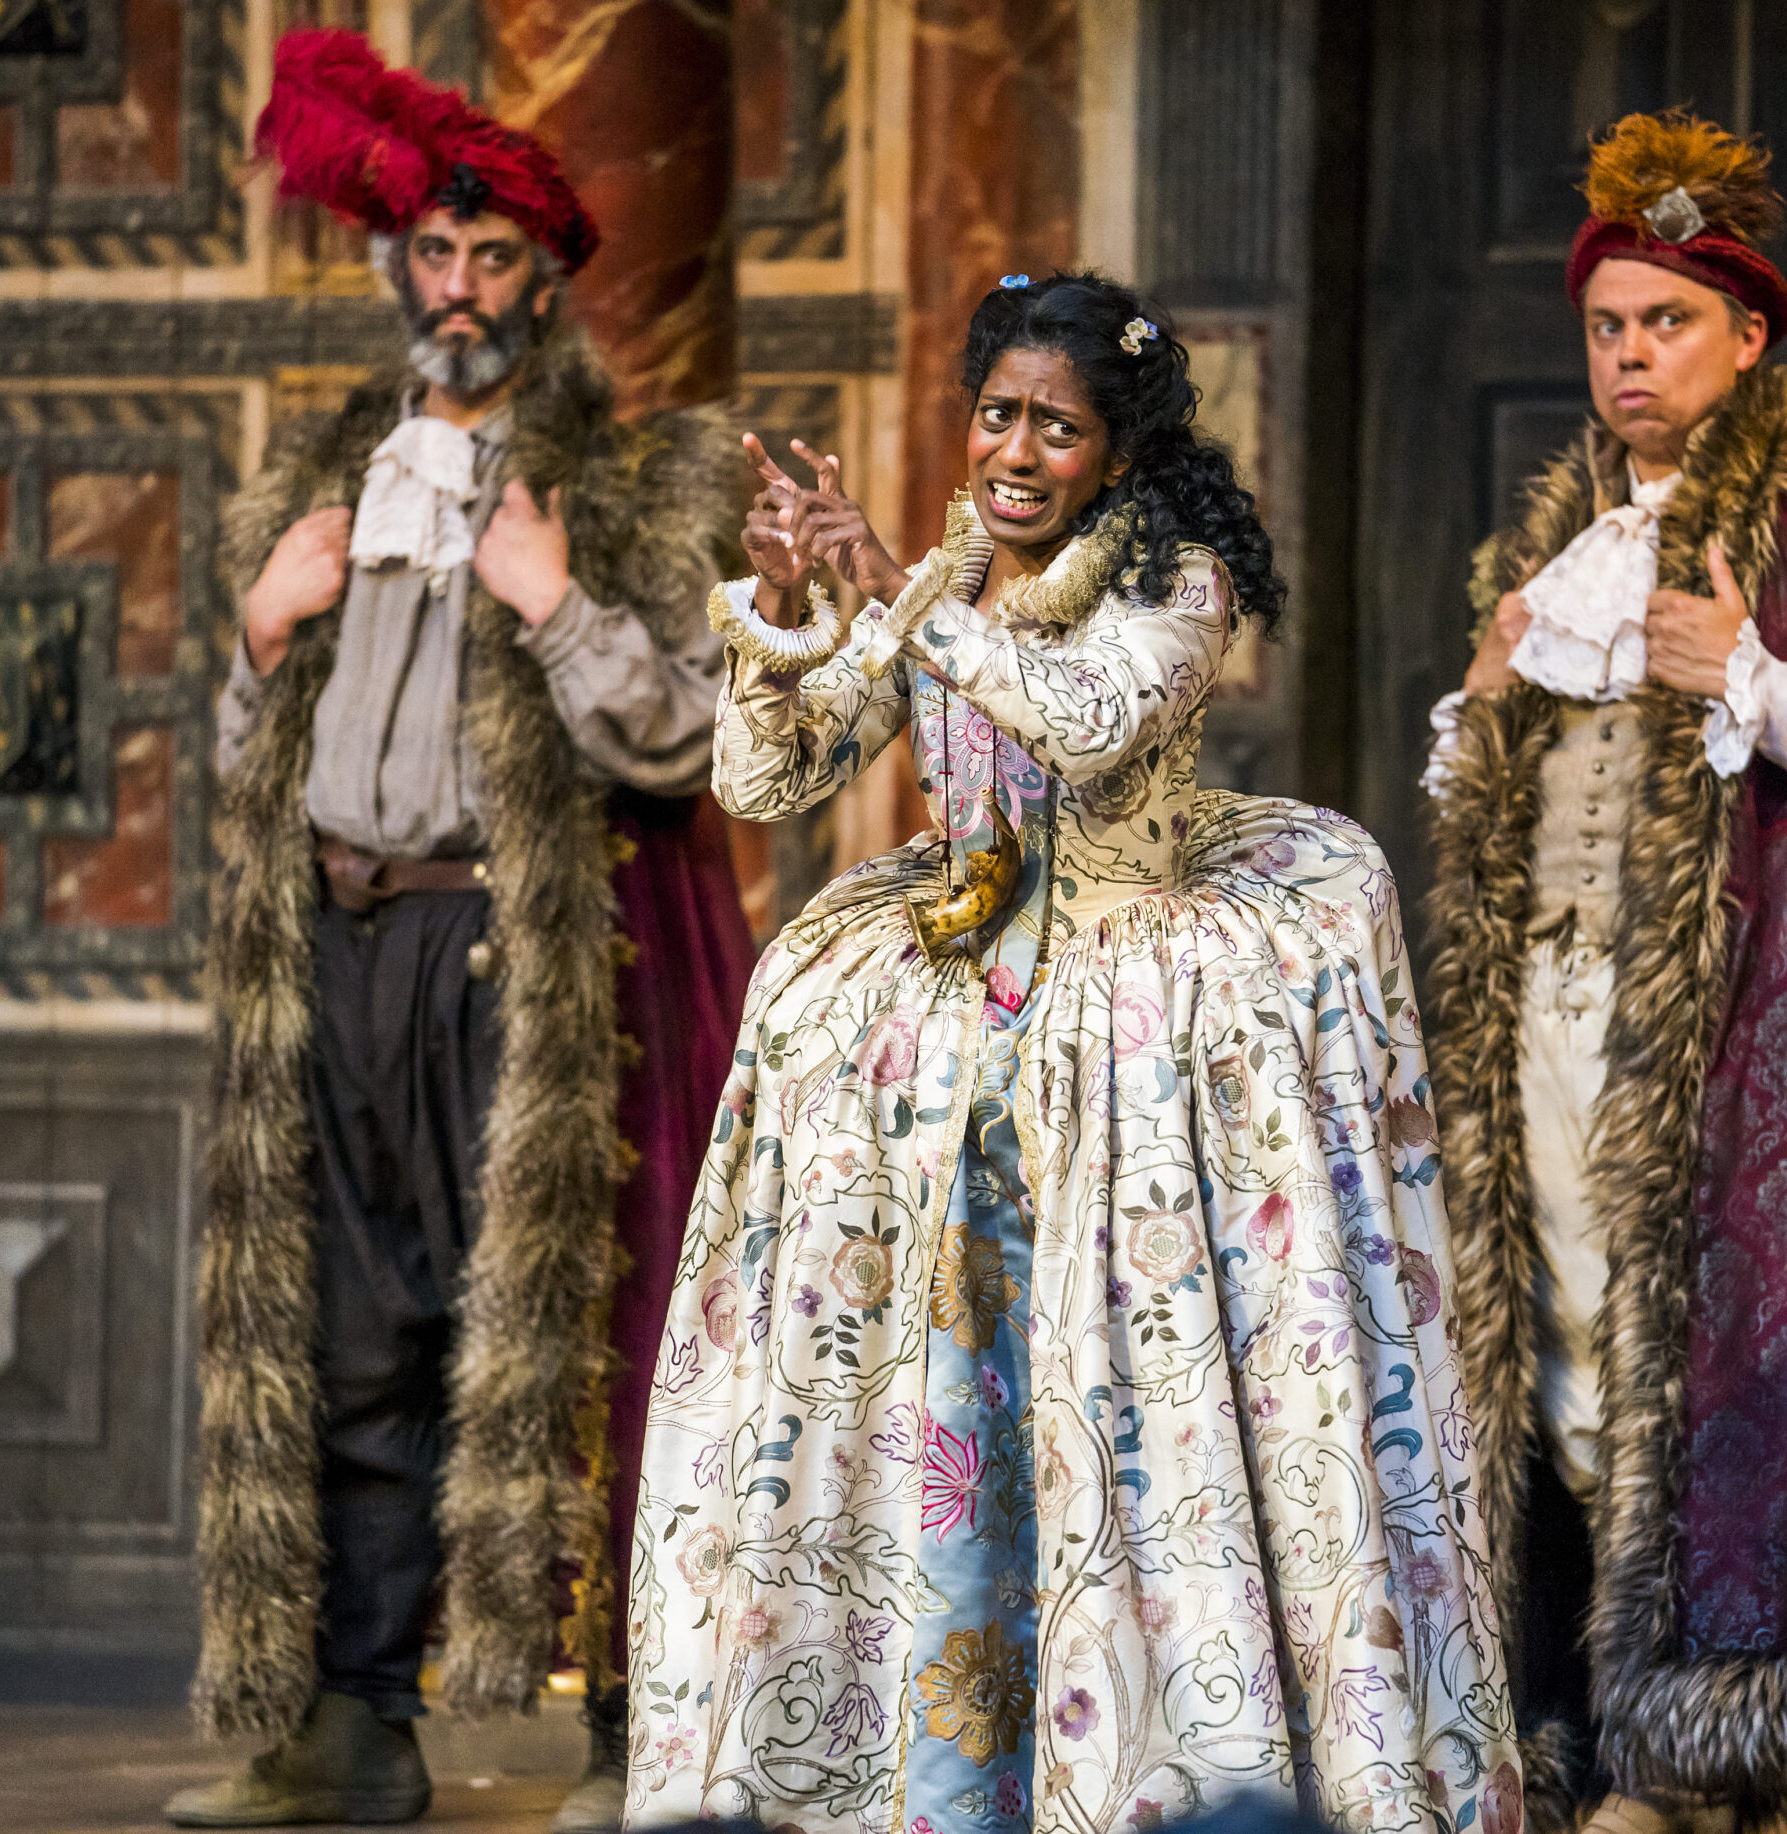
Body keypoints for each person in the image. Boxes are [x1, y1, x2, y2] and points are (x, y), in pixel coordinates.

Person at [621, 274, 1524, 1834]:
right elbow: (775, 776)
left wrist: (905, 588)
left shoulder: (1174, 583)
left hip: (1131, 1037)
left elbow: (1083, 716)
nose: (1018, 450)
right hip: (958, 1039)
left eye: (1058, 424)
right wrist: (785, 619)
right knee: (958, 1418)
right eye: (998, 414)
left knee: (1123, 1423)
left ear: (1117, 450)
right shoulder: (954, 568)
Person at [1422, 112, 1787, 1834]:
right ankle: (1590, 1727)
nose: (1629, 356)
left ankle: (1705, 1751)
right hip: (1547, 1022)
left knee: (1726, 1362)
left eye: (1665, 323)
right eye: (1607, 326)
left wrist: (1749, 673)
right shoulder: (1544, 562)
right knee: (1556, 1363)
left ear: (1748, 339)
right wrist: (1481, 695)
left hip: (1748, 1029)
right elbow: (1486, 808)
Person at [179, 30, 751, 1831]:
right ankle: (350, 1724)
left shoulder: (635, 482)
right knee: (353, 1340)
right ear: (394, 268)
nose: (461, 288)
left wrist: (555, 595)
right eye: (436, 253)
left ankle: (629, 1738)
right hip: (339, 953)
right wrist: (263, 639)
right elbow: (244, 771)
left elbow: (688, 738)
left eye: (496, 258)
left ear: (548, 280)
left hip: (518, 964)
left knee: (561, 1336)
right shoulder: (323, 477)